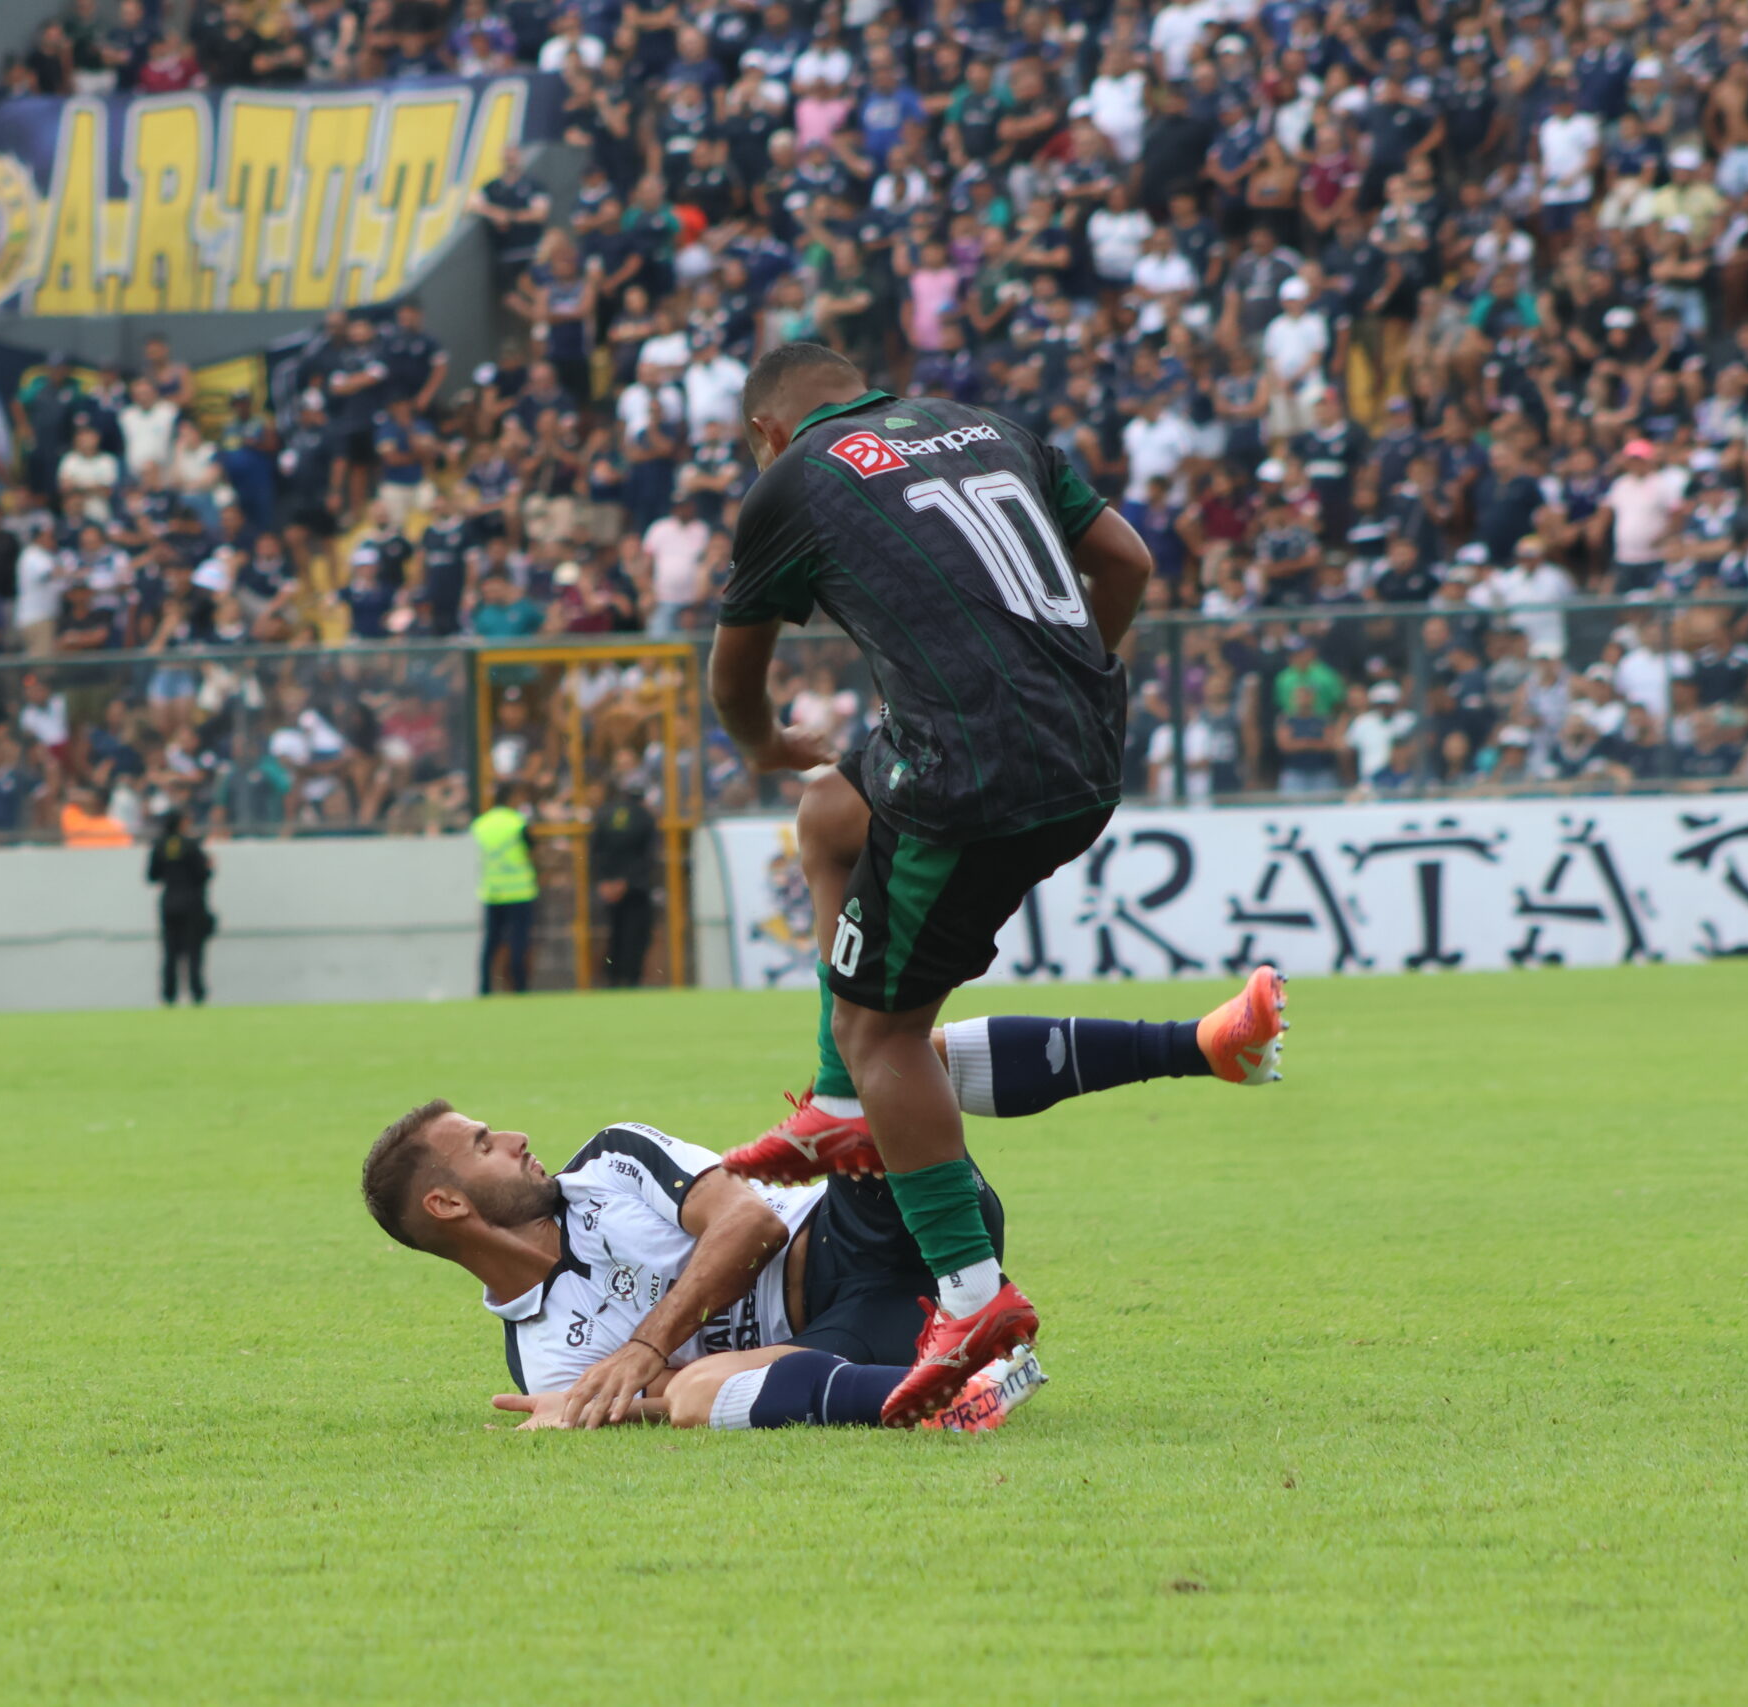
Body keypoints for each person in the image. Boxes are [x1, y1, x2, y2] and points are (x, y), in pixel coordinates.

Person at [705, 342, 1160, 1424]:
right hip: (1085, 744)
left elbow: (734, 677)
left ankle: (970, 1296)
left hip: (970, 777)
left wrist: (763, 744)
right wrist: (1057, 686)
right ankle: (833, 1109)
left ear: (766, 431)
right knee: (831, 813)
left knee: (886, 1036)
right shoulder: (987, 425)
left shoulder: (792, 480)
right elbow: (1128, 561)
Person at [359, 975, 1288, 1431]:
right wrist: (606, 1406)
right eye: (484, 1144)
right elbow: (661, 1397)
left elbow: (753, 1221)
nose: (516, 1136)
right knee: (690, 1398)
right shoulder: (541, 1356)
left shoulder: (609, 1158)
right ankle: (966, 1392)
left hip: (873, 1217)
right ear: (447, 1205)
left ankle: (1201, 1043)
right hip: (859, 1332)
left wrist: (645, 1348)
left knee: (868, 1063)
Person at [588, 771, 656, 988]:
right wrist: (626, 882)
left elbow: (594, 850)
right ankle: (631, 979)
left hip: (607, 887)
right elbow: (648, 856)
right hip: (635, 887)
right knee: (636, 934)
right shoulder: (645, 816)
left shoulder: (604, 814)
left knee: (613, 933)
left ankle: (612, 978)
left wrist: (604, 881)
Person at [470, 782, 538, 994]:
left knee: (491, 942)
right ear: (512, 798)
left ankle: (485, 988)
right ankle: (520, 988)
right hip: (519, 891)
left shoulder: (480, 824)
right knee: (518, 941)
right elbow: (531, 848)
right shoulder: (517, 822)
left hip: (492, 891)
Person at [147, 807, 215, 1006]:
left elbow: (152, 876)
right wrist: (209, 867)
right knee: (194, 950)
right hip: (192, 903)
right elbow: (202, 875)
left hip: (169, 903)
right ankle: (197, 992)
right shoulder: (192, 845)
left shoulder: (159, 845)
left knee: (170, 952)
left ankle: (169, 994)